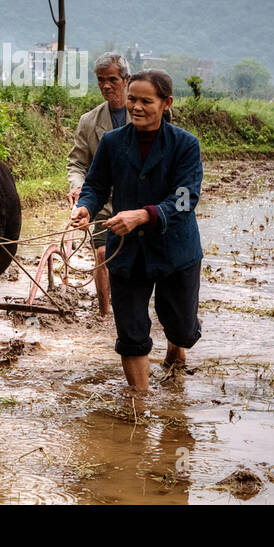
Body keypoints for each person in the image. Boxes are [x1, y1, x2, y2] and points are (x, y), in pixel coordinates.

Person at [70, 69, 203, 393]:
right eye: (132, 99)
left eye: (147, 101)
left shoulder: (185, 145)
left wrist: (144, 216)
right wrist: (86, 205)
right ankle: (140, 405)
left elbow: (186, 200)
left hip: (175, 250)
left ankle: (176, 346)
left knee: (182, 327)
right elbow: (96, 185)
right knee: (131, 333)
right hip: (126, 250)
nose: (137, 107)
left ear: (166, 102)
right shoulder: (113, 143)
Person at [66, 52, 131, 316]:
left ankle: (133, 306)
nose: (106, 86)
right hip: (102, 200)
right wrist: (78, 186)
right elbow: (77, 162)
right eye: (101, 80)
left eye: (112, 79)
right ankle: (105, 313)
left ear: (126, 80)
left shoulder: (146, 114)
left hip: (138, 199)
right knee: (103, 253)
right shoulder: (89, 121)